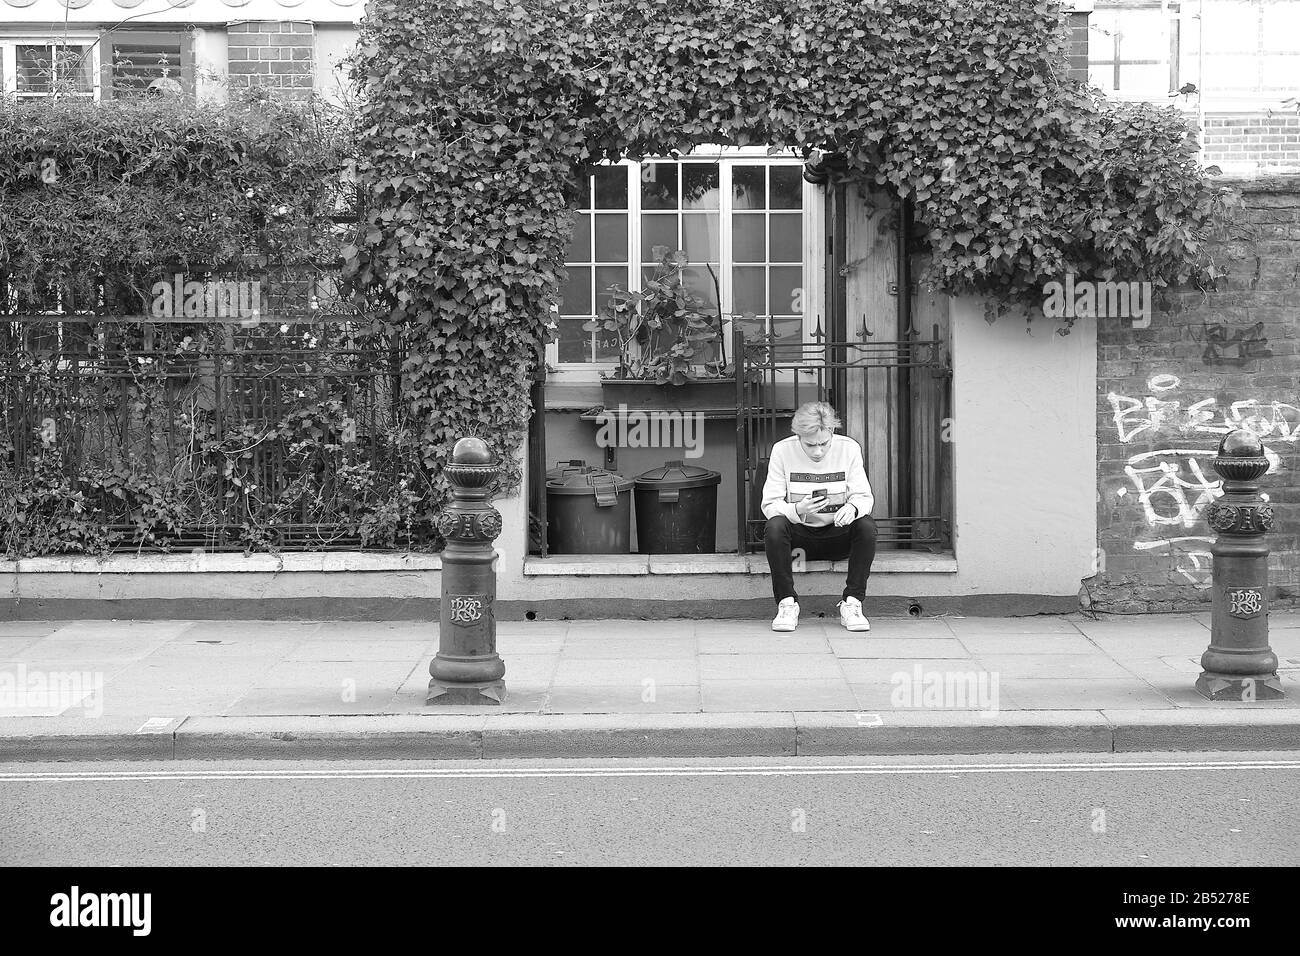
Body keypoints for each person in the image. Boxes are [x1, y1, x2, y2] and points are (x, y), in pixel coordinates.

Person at [761, 402, 877, 632]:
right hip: (798, 541)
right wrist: (798, 510)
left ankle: (852, 603)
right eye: (810, 444)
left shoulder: (849, 448)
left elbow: (864, 497)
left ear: (832, 432)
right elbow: (770, 504)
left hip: (838, 535)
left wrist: (852, 508)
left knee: (866, 526)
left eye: (824, 444)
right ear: (798, 436)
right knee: (774, 526)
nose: (818, 451)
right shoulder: (782, 450)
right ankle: (787, 603)